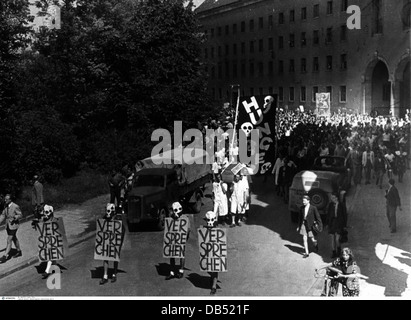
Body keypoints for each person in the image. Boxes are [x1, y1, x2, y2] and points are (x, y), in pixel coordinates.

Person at [100, 203, 124, 284]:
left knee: (115, 256)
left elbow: (121, 231)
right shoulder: (105, 218)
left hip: (115, 241)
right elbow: (101, 228)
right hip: (107, 240)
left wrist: (119, 243)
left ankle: (114, 273)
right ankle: (105, 275)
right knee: (105, 257)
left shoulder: (118, 220)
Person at [0, 194, 23, 263]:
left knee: (9, 239)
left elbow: (20, 214)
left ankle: (5, 256)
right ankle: (19, 251)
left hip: (14, 225)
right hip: (8, 225)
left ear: (10, 200)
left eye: (6, 199)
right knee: (14, 238)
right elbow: (3, 215)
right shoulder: (6, 206)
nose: (5, 200)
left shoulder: (15, 206)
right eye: (5, 199)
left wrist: (16, 217)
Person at [327, 193, 347, 258]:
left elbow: (345, 215)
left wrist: (344, 225)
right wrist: (327, 223)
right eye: (331, 198)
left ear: (336, 198)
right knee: (332, 238)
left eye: (333, 197)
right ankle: (333, 252)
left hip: (339, 223)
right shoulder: (330, 205)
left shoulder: (341, 205)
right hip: (332, 223)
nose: (331, 199)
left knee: (337, 239)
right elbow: (328, 214)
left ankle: (338, 249)